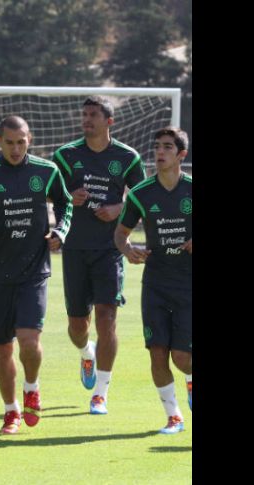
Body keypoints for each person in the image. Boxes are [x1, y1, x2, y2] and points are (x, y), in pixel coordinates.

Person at [0, 116, 72, 434]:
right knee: (2, 347)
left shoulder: (47, 171)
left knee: (29, 342)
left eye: (21, 142)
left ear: (29, 140)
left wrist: (60, 231)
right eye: (9, 143)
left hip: (34, 271)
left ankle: (31, 387)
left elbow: (66, 204)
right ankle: (10, 411)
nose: (16, 149)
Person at [52, 96, 146, 414]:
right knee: (78, 325)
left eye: (93, 115)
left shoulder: (127, 157)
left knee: (107, 320)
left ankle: (100, 394)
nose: (86, 119)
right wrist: (69, 197)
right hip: (75, 249)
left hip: (109, 249)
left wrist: (120, 208)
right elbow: (48, 194)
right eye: (84, 114)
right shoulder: (65, 155)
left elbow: (144, 198)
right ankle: (86, 354)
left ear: (109, 121)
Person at [114, 126, 192, 434]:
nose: (160, 151)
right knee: (157, 352)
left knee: (182, 357)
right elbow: (120, 234)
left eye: (167, 147)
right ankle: (174, 417)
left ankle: (189, 378)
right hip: (156, 283)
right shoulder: (141, 193)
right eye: (157, 146)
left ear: (181, 155)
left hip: (188, 283)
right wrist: (128, 250)